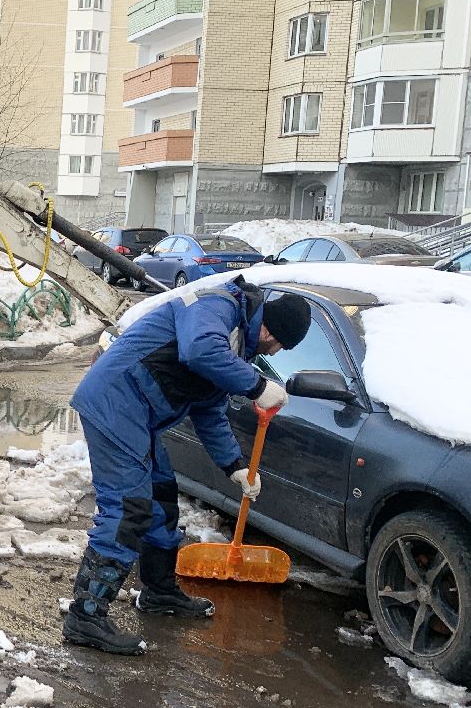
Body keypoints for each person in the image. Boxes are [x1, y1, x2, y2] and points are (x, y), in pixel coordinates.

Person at [62, 280, 313, 656]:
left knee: (162, 500)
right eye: (278, 345)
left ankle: (159, 591)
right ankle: (86, 614)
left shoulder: (237, 343)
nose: (274, 352)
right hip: (115, 405)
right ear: (269, 330)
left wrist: (234, 466)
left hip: (138, 417)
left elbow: (209, 409)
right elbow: (198, 351)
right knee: (129, 509)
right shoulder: (219, 307)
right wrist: (257, 385)